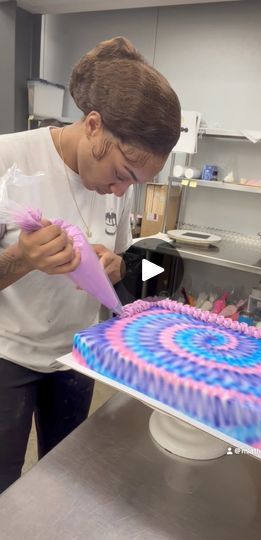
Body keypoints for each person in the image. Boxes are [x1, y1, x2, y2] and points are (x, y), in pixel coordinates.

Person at [0, 36, 181, 493]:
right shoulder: (9, 159)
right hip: (8, 357)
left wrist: (116, 266)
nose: (122, 192)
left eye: (134, 182)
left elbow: (118, 260)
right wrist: (23, 257)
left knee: (69, 477)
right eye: (122, 174)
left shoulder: (120, 185)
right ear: (94, 125)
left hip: (76, 355)